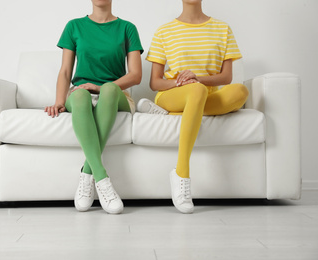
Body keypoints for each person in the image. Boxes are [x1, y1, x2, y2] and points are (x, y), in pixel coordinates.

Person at [139, 0, 248, 213]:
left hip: (206, 94)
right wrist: (182, 83)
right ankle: (181, 173)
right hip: (172, 94)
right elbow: (155, 82)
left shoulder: (222, 29)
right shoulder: (164, 31)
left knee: (241, 92)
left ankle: (174, 114)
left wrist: (197, 78)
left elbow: (227, 77)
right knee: (196, 90)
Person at [45, 0, 143, 214]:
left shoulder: (127, 28)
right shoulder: (74, 26)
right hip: (81, 92)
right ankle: (101, 178)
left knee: (108, 89)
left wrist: (100, 87)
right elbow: (65, 72)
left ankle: (88, 173)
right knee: (79, 95)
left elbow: (136, 75)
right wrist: (60, 101)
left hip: (114, 94)